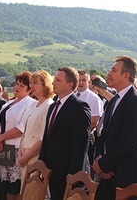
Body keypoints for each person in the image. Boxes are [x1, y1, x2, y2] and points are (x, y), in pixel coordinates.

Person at [93, 56, 137, 199]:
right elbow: (102, 134)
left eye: (113, 70)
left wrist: (103, 164)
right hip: (108, 176)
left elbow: (129, 142)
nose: (108, 74)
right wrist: (100, 160)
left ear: (126, 75)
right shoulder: (114, 100)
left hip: (128, 177)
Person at [39, 67, 91, 200]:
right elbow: (47, 137)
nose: (53, 82)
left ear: (70, 85)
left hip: (68, 173)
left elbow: (80, 144)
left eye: (58, 80)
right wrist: (42, 163)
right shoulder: (53, 106)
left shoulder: (79, 107)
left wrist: (74, 175)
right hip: (52, 170)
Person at [0, 72, 36, 200]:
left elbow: (21, 128)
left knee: (16, 186)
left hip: (17, 149)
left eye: (22, 86)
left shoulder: (30, 103)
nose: (17, 87)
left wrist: (1, 138)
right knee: (6, 187)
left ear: (29, 89)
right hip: (4, 149)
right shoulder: (8, 103)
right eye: (17, 84)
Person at [18, 70, 54, 190]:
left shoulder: (49, 106)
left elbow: (43, 137)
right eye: (31, 83)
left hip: (35, 155)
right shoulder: (34, 104)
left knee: (33, 192)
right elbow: (26, 129)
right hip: (25, 153)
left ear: (45, 85)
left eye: (35, 83)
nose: (32, 86)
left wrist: (26, 157)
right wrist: (20, 153)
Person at [76, 69, 104, 165]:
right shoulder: (71, 95)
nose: (81, 82)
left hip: (86, 138)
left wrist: (78, 135)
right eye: (79, 80)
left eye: (84, 80)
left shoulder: (93, 99)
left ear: (89, 82)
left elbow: (94, 122)